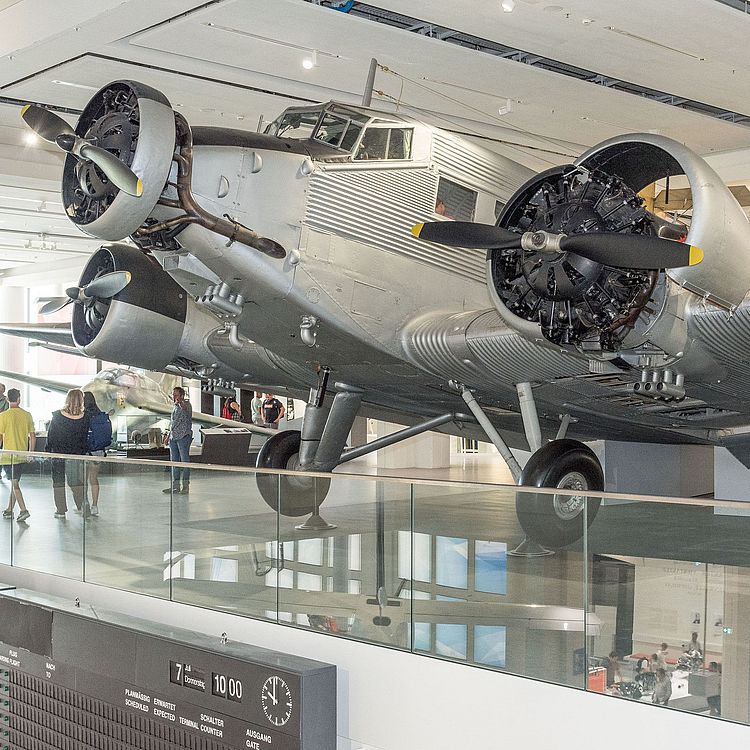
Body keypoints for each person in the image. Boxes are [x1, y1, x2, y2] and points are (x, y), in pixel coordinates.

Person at [46, 389, 90, 519]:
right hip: (76, 455)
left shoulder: (57, 416)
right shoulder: (85, 417)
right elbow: (84, 437)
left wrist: (48, 451)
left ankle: (61, 510)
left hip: (58, 454)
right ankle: (82, 504)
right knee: (76, 482)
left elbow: (51, 436)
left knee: (58, 482)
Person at [0, 388, 35, 522]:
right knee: (15, 484)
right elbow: (32, 436)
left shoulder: (3, 416)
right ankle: (9, 509)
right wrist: (30, 453)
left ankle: (23, 510)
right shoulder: (27, 415)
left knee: (15, 485)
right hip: (22, 455)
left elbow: (0, 437)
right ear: (19, 399)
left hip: (8, 456)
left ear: (7, 399)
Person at [84, 391, 112, 516]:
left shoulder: (84, 416)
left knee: (83, 479)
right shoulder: (101, 415)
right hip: (99, 451)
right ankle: (95, 505)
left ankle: (84, 503)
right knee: (94, 479)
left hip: (85, 451)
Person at [163, 386, 192, 494]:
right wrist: (168, 435)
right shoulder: (174, 407)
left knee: (185, 462)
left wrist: (180, 403)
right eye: (173, 394)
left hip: (183, 437)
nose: (174, 396)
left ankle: (185, 486)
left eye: (176, 395)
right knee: (174, 462)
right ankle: (175, 486)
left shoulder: (186, 405)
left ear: (182, 395)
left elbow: (185, 408)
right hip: (173, 438)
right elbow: (173, 423)